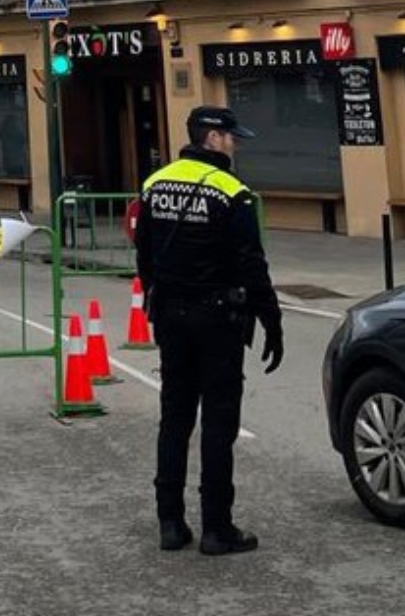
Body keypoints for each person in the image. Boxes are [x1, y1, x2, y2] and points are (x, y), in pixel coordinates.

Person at [134, 105, 282, 557]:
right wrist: (271, 319)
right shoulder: (232, 193)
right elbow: (251, 263)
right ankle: (217, 526)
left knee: (174, 416)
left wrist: (155, 303)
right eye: (231, 137)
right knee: (219, 422)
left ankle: (170, 523)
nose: (235, 144)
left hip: (171, 315)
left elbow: (144, 256)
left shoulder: (154, 183)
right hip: (218, 319)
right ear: (213, 139)